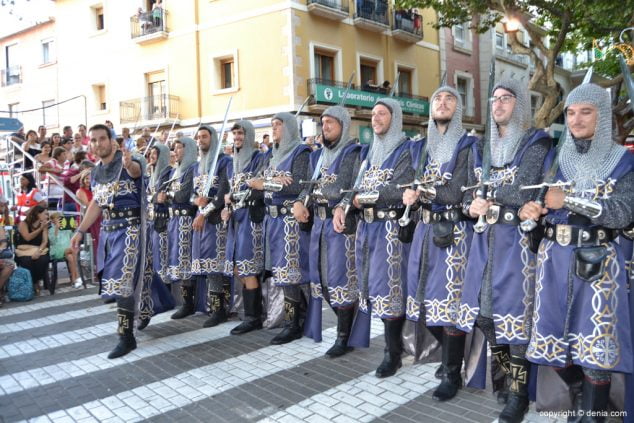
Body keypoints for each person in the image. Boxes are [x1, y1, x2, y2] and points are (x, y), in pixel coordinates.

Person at [522, 83, 633, 419]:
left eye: (586, 111)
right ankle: (582, 392)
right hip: (554, 262)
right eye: (570, 112)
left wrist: (568, 200)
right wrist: (532, 214)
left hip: (598, 264)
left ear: (602, 116)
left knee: (596, 350)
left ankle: (592, 414)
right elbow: (543, 204)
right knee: (551, 344)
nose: (576, 119)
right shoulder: (557, 159)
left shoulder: (623, 161)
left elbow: (623, 212)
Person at [458, 78, 551, 422]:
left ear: (521, 104)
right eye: (494, 98)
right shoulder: (482, 147)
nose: (497, 104)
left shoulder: (535, 144)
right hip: (484, 243)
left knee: (516, 323)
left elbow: (526, 189)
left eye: (506, 99)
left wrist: (491, 196)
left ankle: (519, 395)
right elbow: (468, 193)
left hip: (517, 245)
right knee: (484, 315)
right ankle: (507, 379)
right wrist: (471, 205)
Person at [403, 84, 477, 400]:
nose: (442, 103)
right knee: (419, 301)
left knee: (449, 306)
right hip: (424, 231)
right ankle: (451, 354)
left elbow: (463, 191)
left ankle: (451, 374)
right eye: (437, 99)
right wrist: (411, 197)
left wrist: (425, 193)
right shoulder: (420, 148)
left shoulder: (469, 145)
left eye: (449, 99)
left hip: (455, 233)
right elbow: (410, 187)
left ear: (457, 109)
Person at [336, 98, 414, 378]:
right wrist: (345, 204)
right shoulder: (368, 153)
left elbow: (400, 189)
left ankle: (392, 353)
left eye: (382, 114)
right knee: (372, 290)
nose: (376, 118)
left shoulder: (407, 150)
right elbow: (353, 187)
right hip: (366, 230)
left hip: (390, 230)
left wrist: (361, 199)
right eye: (373, 114)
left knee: (390, 291)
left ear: (395, 118)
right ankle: (393, 347)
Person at [70, 123, 147, 359]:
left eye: (102, 138)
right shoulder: (94, 172)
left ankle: (126, 337)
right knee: (116, 282)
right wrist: (80, 230)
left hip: (130, 228)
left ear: (112, 140)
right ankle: (136, 321)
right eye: (93, 140)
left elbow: (136, 172)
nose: (98, 143)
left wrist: (129, 164)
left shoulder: (129, 162)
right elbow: (96, 204)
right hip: (108, 230)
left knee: (122, 282)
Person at [294, 106, 362, 357]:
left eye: (332, 122)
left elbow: (353, 188)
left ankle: (344, 337)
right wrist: (300, 201)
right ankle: (348, 328)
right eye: (323, 123)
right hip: (319, 226)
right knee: (321, 281)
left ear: (344, 125)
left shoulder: (355, 153)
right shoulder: (317, 156)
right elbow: (309, 187)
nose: (326, 127)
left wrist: (341, 204)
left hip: (341, 225)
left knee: (341, 282)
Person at [246, 113, 311, 344]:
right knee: (282, 274)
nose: (274, 129)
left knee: (292, 273)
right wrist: (268, 183)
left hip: (289, 221)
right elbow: (253, 181)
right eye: (272, 126)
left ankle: (295, 323)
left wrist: (265, 184)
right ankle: (292, 320)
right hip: (272, 221)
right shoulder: (272, 155)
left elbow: (299, 186)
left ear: (290, 128)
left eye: (278, 125)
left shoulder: (301, 152)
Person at [223, 121, 267, 334]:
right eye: (235, 134)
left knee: (248, 266)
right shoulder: (233, 162)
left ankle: (253, 317)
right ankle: (255, 309)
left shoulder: (260, 158)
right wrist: (227, 202)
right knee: (236, 265)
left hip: (252, 217)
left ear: (248, 135)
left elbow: (261, 188)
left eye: (240, 133)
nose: (237, 137)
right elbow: (231, 190)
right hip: (236, 219)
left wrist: (237, 196)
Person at [190, 125, 232, 327]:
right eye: (198, 137)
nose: (200, 140)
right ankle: (214, 307)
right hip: (202, 222)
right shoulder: (198, 166)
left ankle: (220, 310)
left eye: (204, 137)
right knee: (207, 266)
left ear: (212, 138)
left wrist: (205, 213)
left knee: (216, 266)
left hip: (216, 221)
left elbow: (222, 193)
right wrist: (195, 201)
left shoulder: (224, 161)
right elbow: (192, 193)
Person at [157, 137, 198, 319]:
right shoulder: (176, 171)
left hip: (185, 220)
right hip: (174, 221)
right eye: (175, 148)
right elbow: (159, 194)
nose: (177, 151)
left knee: (184, 261)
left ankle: (189, 303)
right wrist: (167, 196)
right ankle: (184, 301)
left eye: (180, 147)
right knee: (177, 260)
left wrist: (167, 196)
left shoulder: (191, 169)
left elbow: (183, 195)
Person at [15, 205, 50, 296]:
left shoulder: (44, 224)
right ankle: (32, 283)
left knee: (43, 260)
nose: (47, 216)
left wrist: (39, 251)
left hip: (38, 249)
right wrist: (40, 229)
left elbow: (45, 241)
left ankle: (35, 281)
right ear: (38, 214)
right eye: (45, 214)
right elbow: (27, 238)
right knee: (27, 260)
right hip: (24, 250)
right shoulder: (24, 224)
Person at [48, 212, 81, 288]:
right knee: (72, 251)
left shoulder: (66, 227)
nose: (60, 219)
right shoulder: (51, 230)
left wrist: (75, 229)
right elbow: (52, 241)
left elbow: (73, 238)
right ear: (53, 220)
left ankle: (73, 279)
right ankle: (77, 275)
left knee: (70, 257)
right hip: (57, 250)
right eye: (58, 218)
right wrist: (56, 228)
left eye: (61, 217)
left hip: (68, 250)